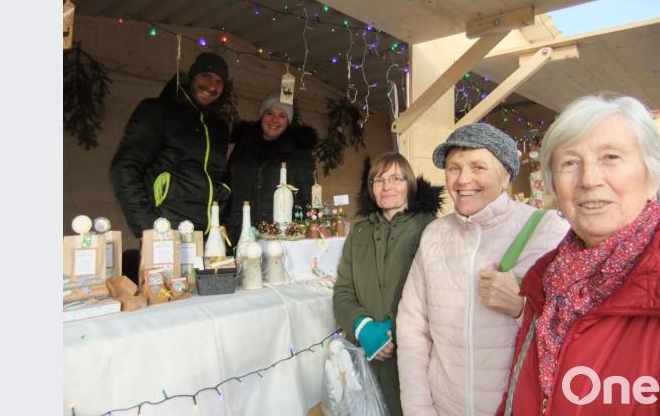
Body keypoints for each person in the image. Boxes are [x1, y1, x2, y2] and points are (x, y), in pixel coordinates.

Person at [497, 94, 660, 416]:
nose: (589, 179)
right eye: (570, 163)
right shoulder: (546, 284)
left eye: (611, 157)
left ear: (651, 178)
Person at [397, 123, 569, 416]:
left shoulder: (548, 230)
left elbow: (574, 329)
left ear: (505, 177)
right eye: (454, 168)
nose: (463, 179)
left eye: (478, 167)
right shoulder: (434, 235)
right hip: (444, 407)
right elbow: (413, 325)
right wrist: (418, 409)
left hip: (516, 407)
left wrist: (520, 308)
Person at [333, 153, 444, 416]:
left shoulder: (431, 229)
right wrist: (363, 328)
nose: (387, 186)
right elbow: (343, 290)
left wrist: (391, 329)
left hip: (415, 356)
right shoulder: (358, 233)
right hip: (367, 357)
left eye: (396, 178)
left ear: (410, 184)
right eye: (378, 180)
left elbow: (439, 293)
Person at [110, 52, 231, 239]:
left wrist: (222, 201)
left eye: (219, 81)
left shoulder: (218, 128)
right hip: (164, 233)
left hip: (206, 237)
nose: (211, 86)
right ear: (192, 77)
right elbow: (124, 167)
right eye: (206, 76)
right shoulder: (158, 111)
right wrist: (149, 226)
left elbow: (214, 177)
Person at [223, 92, 318, 241]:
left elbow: (308, 198)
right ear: (262, 115)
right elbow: (226, 188)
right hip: (240, 231)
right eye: (269, 113)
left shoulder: (299, 153)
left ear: (288, 121)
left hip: (280, 235)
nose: (274, 120)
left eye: (282, 115)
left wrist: (303, 230)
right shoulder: (242, 147)